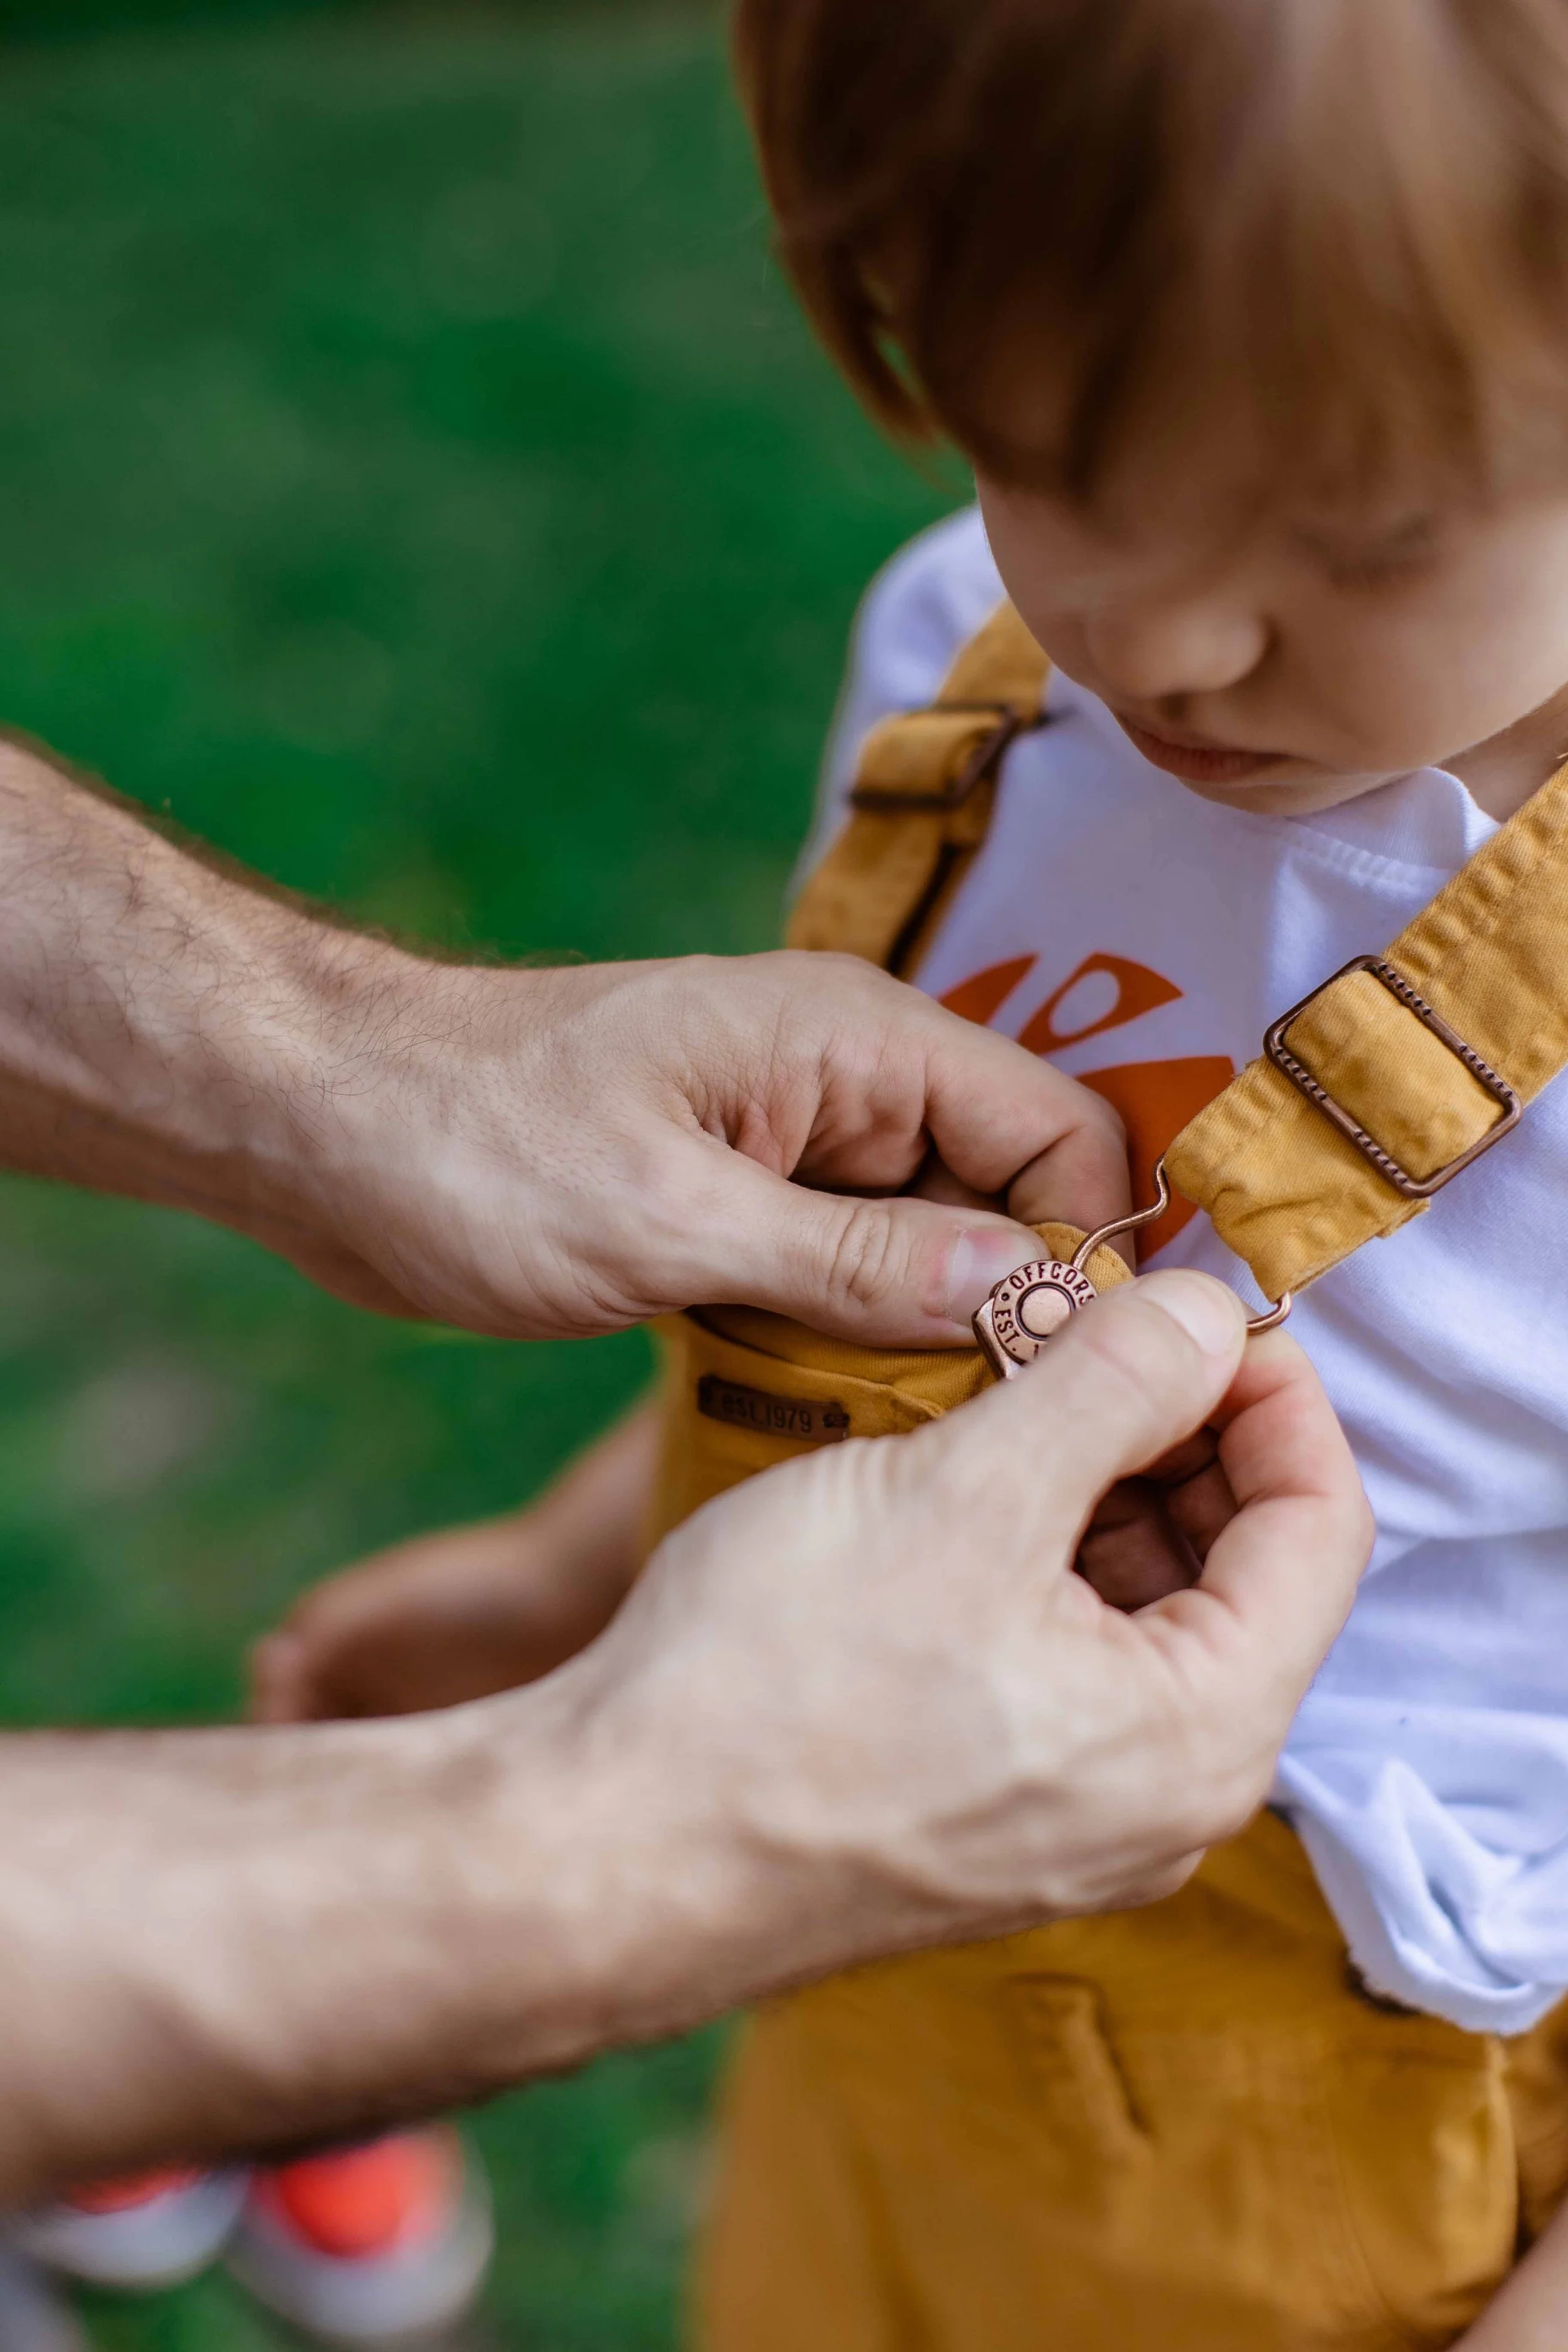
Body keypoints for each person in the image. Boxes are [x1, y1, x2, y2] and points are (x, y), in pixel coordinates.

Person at [254, 1, 1568, 2346]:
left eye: (1352, 530)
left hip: (1330, 2167)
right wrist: (576, 1567)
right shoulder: (965, 677)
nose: (1155, 631)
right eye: (1039, 449)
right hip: (876, 1968)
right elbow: (903, 1315)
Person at [0, 730, 1372, 2329]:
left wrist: (340, 1060)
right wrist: (583, 1598)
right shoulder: (1024, 716)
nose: (1175, 641)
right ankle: (188, 2034)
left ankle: (182, 2033)